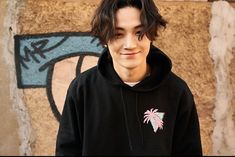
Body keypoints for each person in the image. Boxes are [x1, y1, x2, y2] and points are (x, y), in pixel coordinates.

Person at [55, 0, 203, 156]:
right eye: (118, 34)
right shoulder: (82, 89)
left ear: (151, 34)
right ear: (105, 39)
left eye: (139, 32)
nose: (130, 44)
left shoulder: (177, 92)